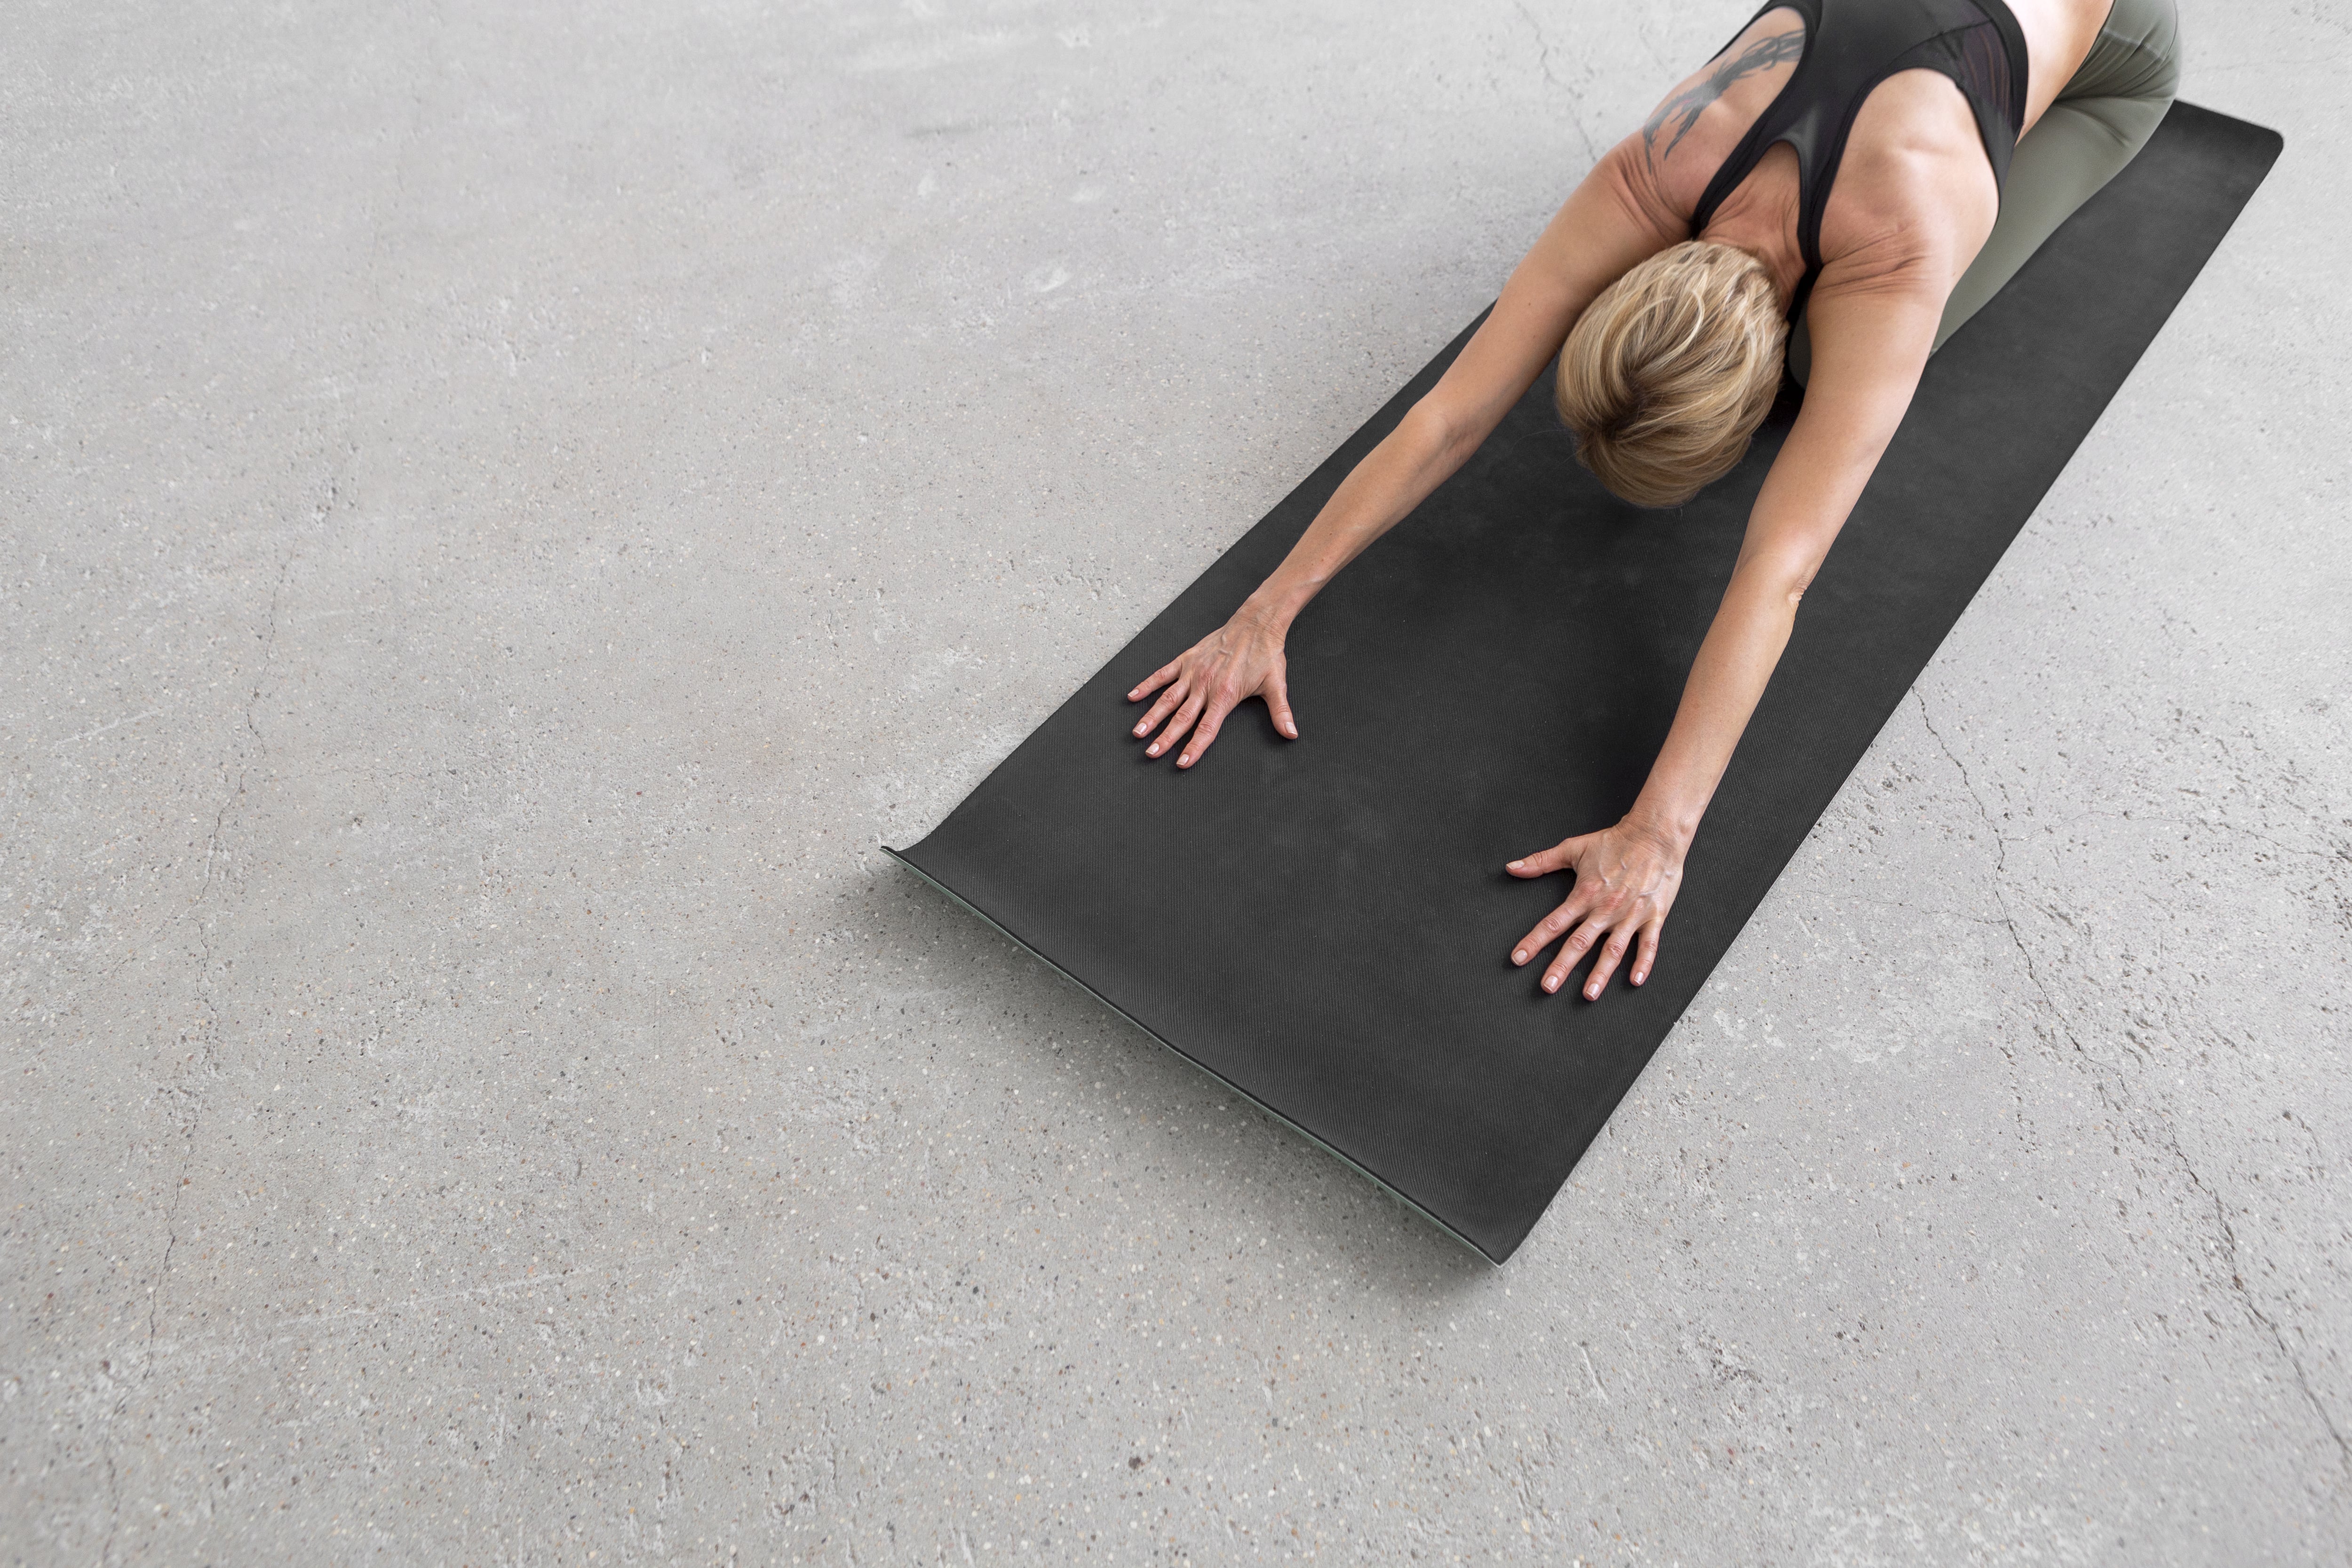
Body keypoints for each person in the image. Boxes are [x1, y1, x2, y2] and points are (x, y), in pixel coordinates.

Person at [1123, 0, 2179, 1001]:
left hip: (2113, 46)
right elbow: (1450, 415)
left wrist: (1659, 832)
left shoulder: (1898, 243)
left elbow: (1782, 566)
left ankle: (2078, 120)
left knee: (1827, 362)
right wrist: (1264, 610)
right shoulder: (1662, 156)